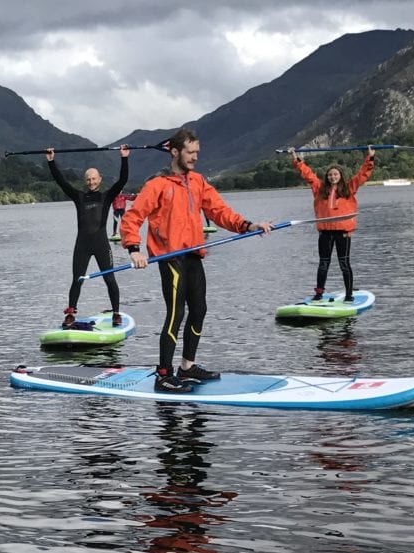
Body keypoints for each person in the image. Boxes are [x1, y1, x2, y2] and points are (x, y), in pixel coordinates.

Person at [120, 130, 273, 393]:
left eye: (197, 153)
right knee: (176, 314)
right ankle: (163, 375)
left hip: (193, 253)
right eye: (190, 152)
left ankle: (187, 367)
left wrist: (248, 225)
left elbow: (219, 211)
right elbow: (133, 217)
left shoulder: (198, 182)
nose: (195, 157)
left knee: (199, 310)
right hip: (170, 257)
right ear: (175, 152)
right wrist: (134, 249)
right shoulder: (157, 185)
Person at [45, 144, 130, 328]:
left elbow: (123, 180)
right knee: (77, 279)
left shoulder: (107, 197)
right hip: (82, 245)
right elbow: (61, 182)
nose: (91, 182)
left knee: (110, 279)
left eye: (94, 179)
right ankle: (70, 315)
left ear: (99, 179)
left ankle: (116, 313)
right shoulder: (79, 197)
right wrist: (51, 162)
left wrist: (124, 157)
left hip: (101, 245)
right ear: (85, 181)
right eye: (88, 179)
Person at [287, 146, 374, 300]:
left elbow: (362, 175)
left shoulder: (349, 187)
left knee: (344, 264)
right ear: (327, 177)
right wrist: (296, 159)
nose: (333, 177)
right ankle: (319, 293)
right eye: (330, 175)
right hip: (325, 233)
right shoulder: (319, 188)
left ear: (340, 175)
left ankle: (349, 294)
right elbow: (308, 175)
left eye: (335, 174)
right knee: (323, 264)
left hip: (343, 233)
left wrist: (369, 158)